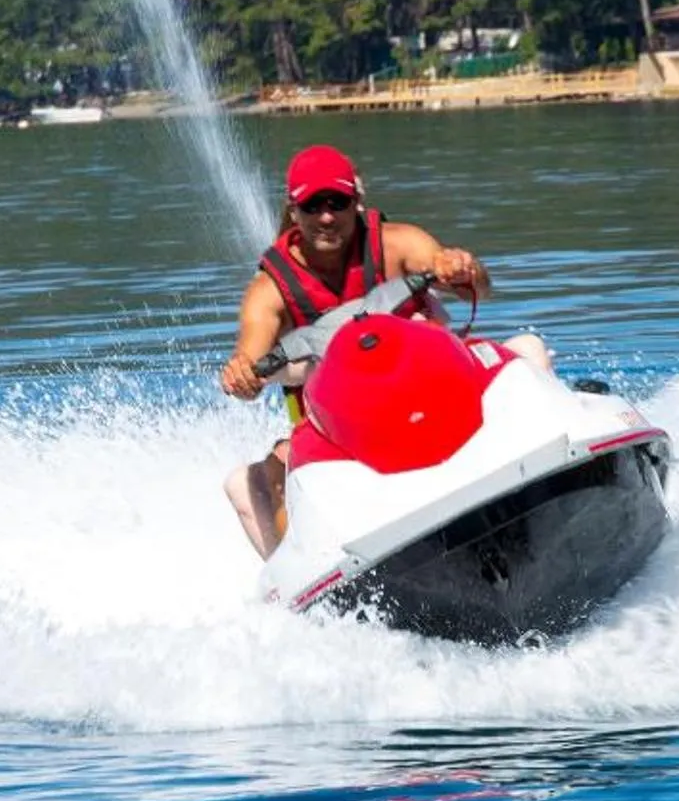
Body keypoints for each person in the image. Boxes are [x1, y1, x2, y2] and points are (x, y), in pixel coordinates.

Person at [219, 144, 542, 556]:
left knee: (528, 351)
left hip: (438, 391)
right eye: (313, 204)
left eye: (337, 202)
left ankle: (558, 477)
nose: (326, 216)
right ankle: (302, 579)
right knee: (249, 484)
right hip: (341, 429)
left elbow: (477, 286)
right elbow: (249, 356)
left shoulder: (399, 244)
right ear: (293, 209)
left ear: (357, 199)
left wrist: (462, 268)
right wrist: (241, 374)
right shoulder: (269, 290)